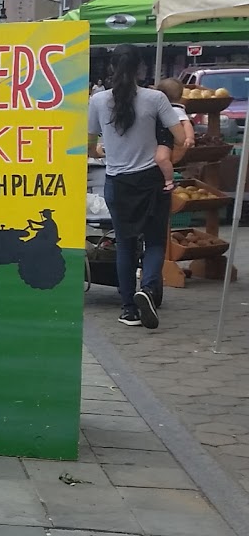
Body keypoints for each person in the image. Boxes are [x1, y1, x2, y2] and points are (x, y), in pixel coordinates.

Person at [90, 46, 190, 329]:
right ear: (141, 70)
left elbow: (90, 145)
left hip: (117, 182)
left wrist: (104, 149)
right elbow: (181, 138)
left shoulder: (97, 100)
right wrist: (160, 144)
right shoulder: (156, 98)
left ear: (111, 69)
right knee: (155, 240)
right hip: (151, 180)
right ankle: (146, 288)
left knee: (125, 244)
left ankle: (128, 309)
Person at [153, 78, 196, 190]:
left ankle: (168, 180)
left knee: (161, 159)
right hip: (155, 139)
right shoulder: (157, 106)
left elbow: (186, 123)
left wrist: (190, 137)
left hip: (165, 140)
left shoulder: (175, 110)